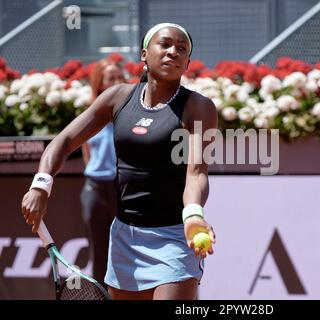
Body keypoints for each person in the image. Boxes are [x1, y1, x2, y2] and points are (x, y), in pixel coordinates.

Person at [21, 22, 217, 300]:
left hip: (175, 237)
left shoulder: (199, 107)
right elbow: (63, 141)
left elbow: (196, 172)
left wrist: (193, 214)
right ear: (144, 54)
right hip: (126, 238)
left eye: (182, 49)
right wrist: (41, 185)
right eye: (165, 44)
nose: (173, 51)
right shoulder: (117, 97)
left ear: (186, 63)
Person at [80, 58, 125, 288]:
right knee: (99, 256)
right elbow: (86, 153)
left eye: (120, 77)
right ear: (99, 84)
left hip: (121, 190)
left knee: (124, 254)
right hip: (94, 190)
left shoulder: (128, 114)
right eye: (111, 78)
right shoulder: (90, 115)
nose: (117, 82)